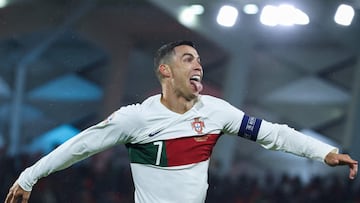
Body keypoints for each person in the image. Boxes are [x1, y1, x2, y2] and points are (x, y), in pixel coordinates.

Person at [5, 40, 358, 203]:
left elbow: (273, 135)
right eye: (188, 59)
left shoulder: (217, 112)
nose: (198, 65)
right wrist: (28, 176)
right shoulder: (136, 118)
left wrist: (324, 152)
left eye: (199, 60)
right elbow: (79, 146)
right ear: (165, 70)